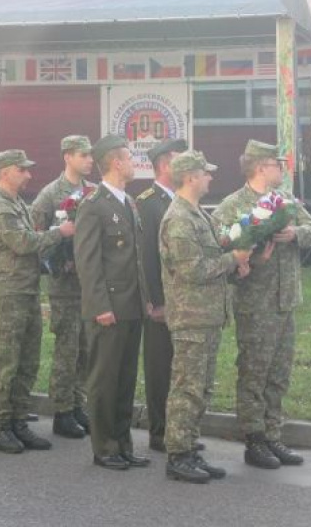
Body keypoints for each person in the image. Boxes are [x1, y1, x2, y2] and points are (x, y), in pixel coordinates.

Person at [213, 140, 311, 469]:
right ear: (260, 167)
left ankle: (273, 435)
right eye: (277, 164)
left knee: (279, 373)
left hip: (285, 300)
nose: (282, 169)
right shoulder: (232, 205)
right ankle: (254, 439)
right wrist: (247, 255)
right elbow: (220, 246)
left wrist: (295, 233)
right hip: (255, 303)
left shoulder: (284, 200)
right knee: (254, 373)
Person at [160, 150, 250, 483]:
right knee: (187, 389)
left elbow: (212, 259)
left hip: (208, 315)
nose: (211, 177)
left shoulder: (198, 214)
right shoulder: (179, 219)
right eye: (205, 173)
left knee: (202, 389)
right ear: (190, 177)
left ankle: (189, 447)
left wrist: (236, 263)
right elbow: (192, 271)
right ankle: (177, 455)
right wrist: (233, 259)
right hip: (191, 318)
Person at [0, 149, 73, 454]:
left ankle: (19, 421)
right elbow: (22, 243)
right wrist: (59, 233)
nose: (28, 175)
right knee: (6, 362)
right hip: (8, 293)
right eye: (22, 170)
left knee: (28, 361)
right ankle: (0, 426)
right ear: (5, 172)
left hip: (27, 290)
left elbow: (31, 240)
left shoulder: (17, 203)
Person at [74, 135, 149, 471]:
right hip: (109, 306)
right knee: (105, 379)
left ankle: (123, 443)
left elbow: (135, 258)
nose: (133, 163)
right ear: (116, 162)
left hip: (132, 304)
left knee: (125, 378)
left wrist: (146, 300)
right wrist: (100, 306)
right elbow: (88, 262)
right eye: (129, 158)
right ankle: (104, 447)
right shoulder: (93, 205)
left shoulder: (128, 202)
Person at [30, 135, 95, 439]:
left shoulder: (92, 191)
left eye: (90, 155)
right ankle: (62, 411)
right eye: (83, 155)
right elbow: (37, 239)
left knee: (85, 349)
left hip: (89, 285)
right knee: (67, 350)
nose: (90, 160)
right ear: (67, 157)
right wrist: (59, 262)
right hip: (65, 285)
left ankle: (78, 403)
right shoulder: (50, 195)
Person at [135, 137, 187, 452]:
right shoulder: (148, 202)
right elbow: (147, 257)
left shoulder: (180, 200)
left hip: (183, 300)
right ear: (165, 165)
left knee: (179, 368)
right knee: (159, 366)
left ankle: (178, 430)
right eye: (180, 160)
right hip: (161, 302)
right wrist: (155, 301)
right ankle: (159, 431)